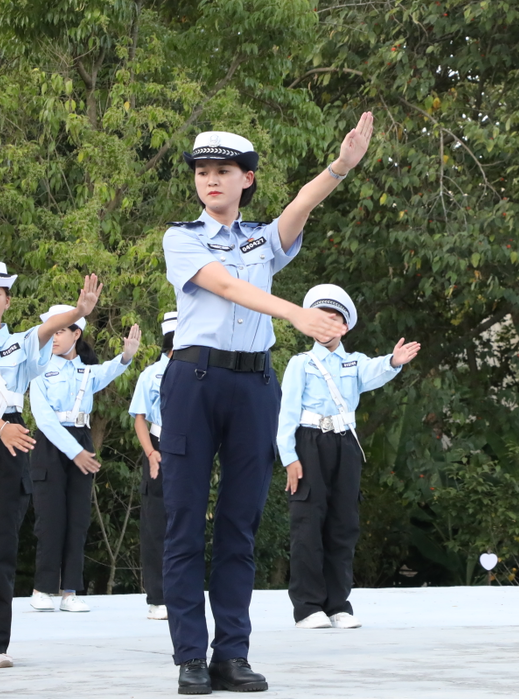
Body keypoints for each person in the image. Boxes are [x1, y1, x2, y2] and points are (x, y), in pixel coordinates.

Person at [160, 114, 373, 694]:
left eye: (223, 171)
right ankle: (190, 658)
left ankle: (231, 653)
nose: (211, 181)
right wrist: (294, 313)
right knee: (184, 525)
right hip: (194, 381)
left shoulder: (262, 239)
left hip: (254, 386)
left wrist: (341, 166)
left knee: (239, 524)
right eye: (203, 171)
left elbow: (301, 205)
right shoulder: (181, 237)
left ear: (246, 179)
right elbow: (226, 287)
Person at [0, 265, 101, 670]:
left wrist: (78, 310)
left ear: (8, 301)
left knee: (1, 542)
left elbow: (47, 331)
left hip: (13, 438)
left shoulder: (21, 344)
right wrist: (1, 428)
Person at [277, 284, 420, 630]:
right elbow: (286, 412)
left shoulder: (354, 363)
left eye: (335, 320)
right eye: (321, 319)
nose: (328, 325)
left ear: (345, 328)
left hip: (346, 444)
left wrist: (393, 362)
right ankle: (308, 607)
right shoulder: (301, 363)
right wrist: (289, 457)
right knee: (308, 524)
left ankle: (338, 603)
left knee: (344, 523)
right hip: (309, 442)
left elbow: (375, 371)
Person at [28, 307, 141, 613]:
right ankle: (42, 588)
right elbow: (44, 419)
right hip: (52, 444)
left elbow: (109, 369)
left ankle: (69, 592)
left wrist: (127, 356)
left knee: (77, 518)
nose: (53, 336)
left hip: (81, 438)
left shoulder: (86, 371)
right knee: (50, 519)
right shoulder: (37, 369)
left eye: (60, 331)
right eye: (50, 330)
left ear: (76, 334)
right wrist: (73, 451)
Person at [128, 311, 177, 621]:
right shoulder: (151, 374)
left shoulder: (202, 371)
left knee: (185, 522)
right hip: (159, 447)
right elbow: (139, 417)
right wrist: (149, 452)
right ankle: (157, 598)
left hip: (190, 448)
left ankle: (181, 592)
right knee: (156, 523)